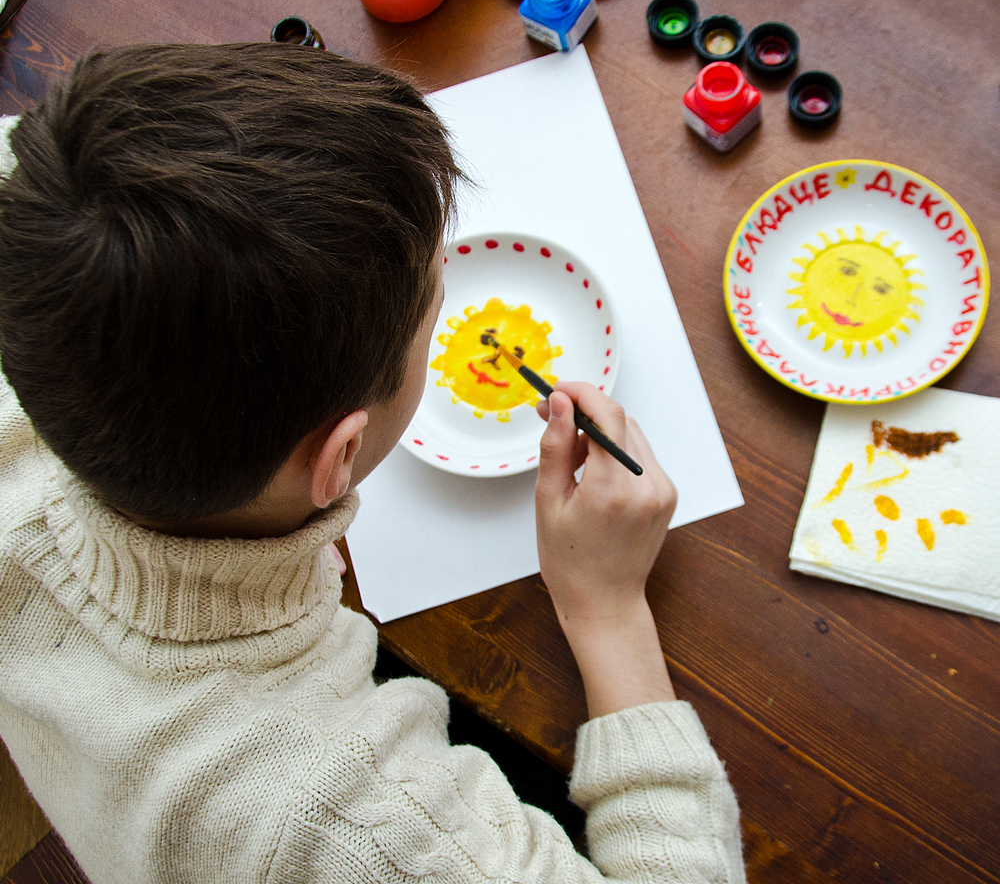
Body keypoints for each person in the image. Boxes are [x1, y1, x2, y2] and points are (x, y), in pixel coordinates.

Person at [0, 43, 746, 883]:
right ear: (341, 455)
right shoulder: (364, 830)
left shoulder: (28, 243)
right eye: (434, 315)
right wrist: (606, 611)